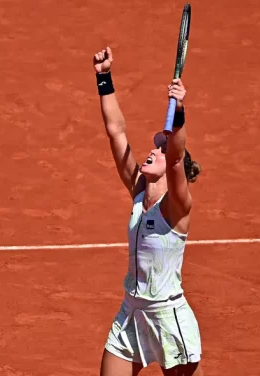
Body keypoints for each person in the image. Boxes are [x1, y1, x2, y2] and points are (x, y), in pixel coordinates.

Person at [92, 46, 204, 376]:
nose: (153, 150)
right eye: (155, 145)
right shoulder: (139, 192)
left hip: (168, 319)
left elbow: (174, 156)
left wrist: (179, 109)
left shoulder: (177, 207)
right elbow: (116, 131)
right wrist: (103, 78)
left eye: (160, 147)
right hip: (132, 313)